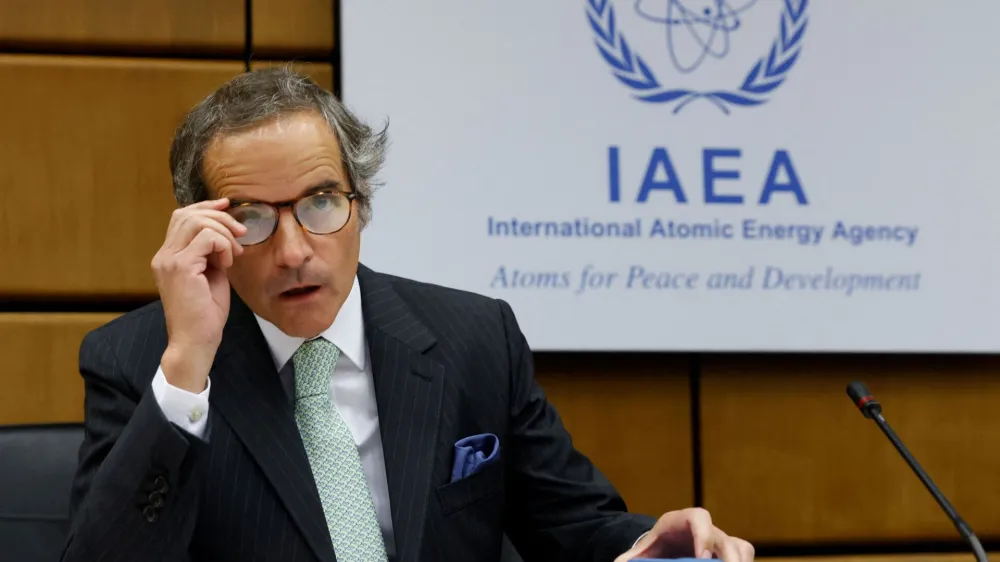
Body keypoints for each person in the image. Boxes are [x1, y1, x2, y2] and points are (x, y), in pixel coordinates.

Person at [62, 68, 754, 562]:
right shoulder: (140, 362)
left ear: (361, 200)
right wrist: (186, 367)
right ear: (206, 231)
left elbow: (573, 528)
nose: (296, 251)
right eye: (251, 220)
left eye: (322, 202)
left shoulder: (473, 339)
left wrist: (654, 545)